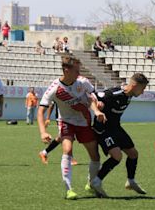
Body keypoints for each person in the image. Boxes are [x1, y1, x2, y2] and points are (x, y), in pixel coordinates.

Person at [37, 55, 106, 200]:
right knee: (67, 149)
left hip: (84, 121)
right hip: (66, 121)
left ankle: (91, 183)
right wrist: (43, 132)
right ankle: (69, 189)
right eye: (76, 70)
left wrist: (97, 110)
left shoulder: (82, 82)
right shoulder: (55, 88)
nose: (79, 73)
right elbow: (40, 111)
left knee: (95, 156)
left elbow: (91, 98)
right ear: (66, 71)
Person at [90, 73, 149, 198]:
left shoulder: (129, 94)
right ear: (134, 85)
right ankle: (96, 181)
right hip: (103, 129)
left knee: (133, 154)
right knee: (117, 156)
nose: (143, 92)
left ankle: (131, 181)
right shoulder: (114, 93)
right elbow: (92, 96)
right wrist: (97, 109)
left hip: (116, 127)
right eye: (142, 88)